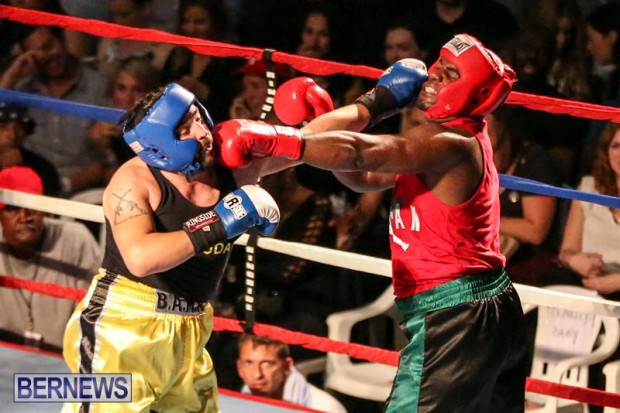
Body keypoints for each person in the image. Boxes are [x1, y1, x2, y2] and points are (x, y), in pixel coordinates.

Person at [214, 34, 528, 412]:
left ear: (477, 95)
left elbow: (363, 154)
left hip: (456, 314)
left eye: (451, 74)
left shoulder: (451, 141)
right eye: (439, 65)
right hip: (483, 305)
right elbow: (362, 175)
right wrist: (321, 126)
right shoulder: (438, 143)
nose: (434, 76)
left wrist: (273, 138)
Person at [60, 82, 313, 412]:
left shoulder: (228, 164)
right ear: (161, 145)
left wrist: (372, 105)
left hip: (190, 327)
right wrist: (219, 223)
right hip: (125, 324)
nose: (202, 131)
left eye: (198, 117)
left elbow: (306, 144)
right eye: (185, 128)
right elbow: (140, 257)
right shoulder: (133, 181)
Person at [0, 166, 101, 353]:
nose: (24, 217)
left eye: (32, 207)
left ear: (44, 210)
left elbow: (98, 309)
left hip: (66, 357)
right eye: (12, 209)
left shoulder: (75, 239)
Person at [0, 25, 108, 196]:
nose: (46, 56)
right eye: (36, 53)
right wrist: (12, 75)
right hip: (31, 190)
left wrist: (63, 186)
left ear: (63, 40)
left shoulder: (99, 87)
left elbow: (106, 155)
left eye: (48, 46)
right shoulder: (22, 89)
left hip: (85, 192)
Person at [486, 105, 559, 285]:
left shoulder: (533, 161)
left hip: (527, 263)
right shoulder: (468, 154)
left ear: (502, 124)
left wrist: (476, 221)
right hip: (483, 254)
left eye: (482, 117)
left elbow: (535, 231)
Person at [550, 121, 620, 301]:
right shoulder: (588, 188)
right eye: (616, 146)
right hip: (586, 282)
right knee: (551, 280)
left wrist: (616, 282)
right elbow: (567, 251)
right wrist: (576, 261)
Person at [236, 333, 347, 413]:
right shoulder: (238, 402)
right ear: (240, 368)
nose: (257, 374)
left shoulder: (325, 409)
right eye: (248, 363)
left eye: (267, 364)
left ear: (287, 366)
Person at [0, 102, 61, 196]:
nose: (12, 135)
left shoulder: (42, 167)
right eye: (2, 127)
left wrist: (17, 172)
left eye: (19, 127)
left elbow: (46, 201)